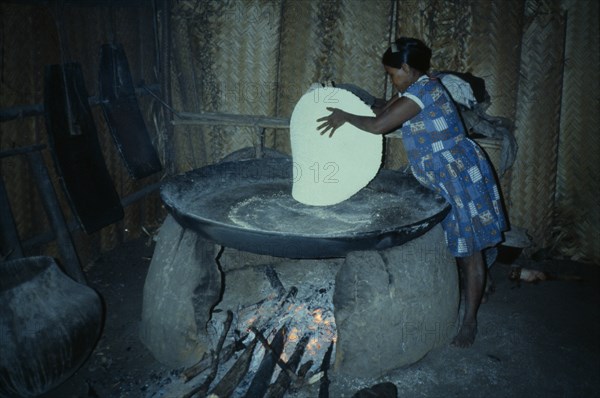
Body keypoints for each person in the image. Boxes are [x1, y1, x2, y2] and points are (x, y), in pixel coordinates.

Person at [316, 37, 507, 347]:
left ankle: (469, 322)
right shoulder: (414, 88)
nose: (392, 79)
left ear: (406, 68)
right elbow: (382, 108)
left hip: (457, 174)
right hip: (443, 172)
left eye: (393, 73)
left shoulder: (424, 92)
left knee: (470, 250)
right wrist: (344, 98)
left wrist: (345, 117)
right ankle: (479, 289)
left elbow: (379, 125)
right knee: (459, 243)